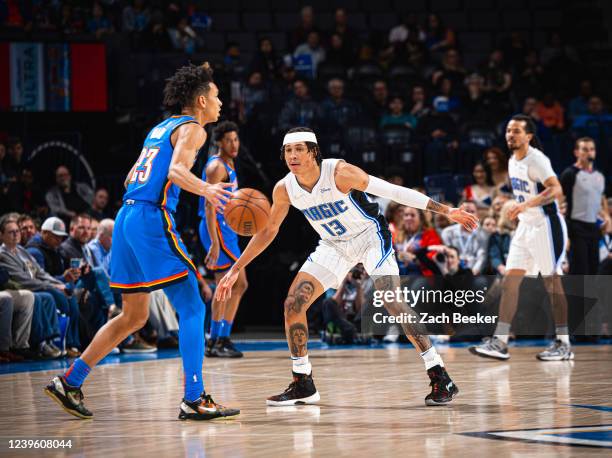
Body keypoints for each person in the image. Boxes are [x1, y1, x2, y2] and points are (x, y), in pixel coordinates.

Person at [216, 126, 478, 406]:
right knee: (293, 304)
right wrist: (234, 269)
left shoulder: (340, 173)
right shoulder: (285, 188)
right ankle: (303, 382)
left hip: (371, 237)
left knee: (392, 302)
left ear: (313, 152)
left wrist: (446, 210)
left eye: (298, 149)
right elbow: (268, 231)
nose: (292, 156)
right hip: (334, 244)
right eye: (288, 151)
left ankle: (440, 374)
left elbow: (392, 191)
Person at [44, 63, 238, 421]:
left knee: (133, 315)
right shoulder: (193, 129)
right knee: (194, 307)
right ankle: (194, 397)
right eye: (216, 95)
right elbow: (177, 172)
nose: (221, 102)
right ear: (200, 100)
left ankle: (70, 381)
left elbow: (137, 177)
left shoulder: (160, 127)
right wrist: (208, 190)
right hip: (150, 217)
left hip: (125, 217)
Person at [470, 115, 572, 361]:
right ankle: (500, 342)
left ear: (528, 136)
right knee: (510, 282)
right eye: (508, 130)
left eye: (516, 131)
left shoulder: (537, 159)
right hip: (525, 226)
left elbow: (556, 189)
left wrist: (525, 203)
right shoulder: (512, 161)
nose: (510, 135)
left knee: (552, 283)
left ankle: (564, 344)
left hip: (546, 225)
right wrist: (517, 205)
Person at [199, 121, 247, 358]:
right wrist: (215, 243)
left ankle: (222, 336)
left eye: (236, 139)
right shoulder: (216, 167)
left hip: (227, 228)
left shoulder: (229, 163)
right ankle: (214, 340)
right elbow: (209, 206)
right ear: (219, 142)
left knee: (239, 284)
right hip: (216, 227)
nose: (233, 144)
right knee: (225, 285)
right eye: (228, 140)